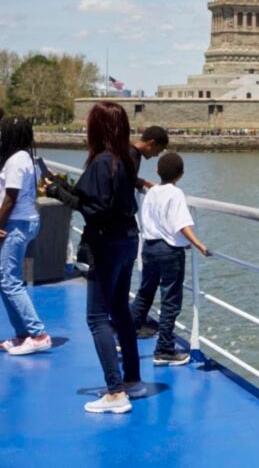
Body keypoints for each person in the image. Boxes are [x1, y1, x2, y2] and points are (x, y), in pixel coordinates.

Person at [45, 101, 145, 414]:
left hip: (108, 245)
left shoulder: (103, 162)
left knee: (97, 317)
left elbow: (96, 210)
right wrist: (61, 186)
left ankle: (115, 392)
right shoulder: (125, 159)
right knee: (119, 310)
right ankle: (131, 379)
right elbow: (102, 200)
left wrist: (57, 193)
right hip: (128, 240)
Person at [130, 152, 211, 366]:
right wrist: (199, 245)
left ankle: (125, 335)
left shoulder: (152, 192)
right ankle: (164, 349)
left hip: (149, 247)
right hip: (169, 251)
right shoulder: (176, 194)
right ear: (181, 175)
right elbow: (181, 225)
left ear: (157, 171)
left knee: (145, 293)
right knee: (170, 300)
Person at [0, 116, 52, 355]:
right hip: (21, 221)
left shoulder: (15, 160)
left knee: (10, 280)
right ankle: (22, 335)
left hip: (17, 224)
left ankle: (38, 334)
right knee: (6, 280)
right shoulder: (24, 157)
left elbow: (10, 198)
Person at [130, 125, 169, 191]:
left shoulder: (134, 153)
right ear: (152, 143)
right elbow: (126, 179)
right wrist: (145, 183)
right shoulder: (131, 155)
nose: (156, 155)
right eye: (158, 151)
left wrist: (145, 183)